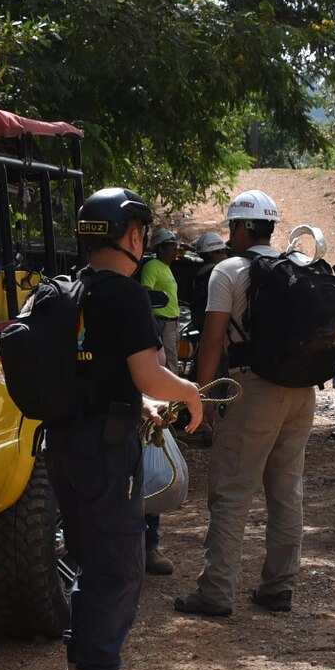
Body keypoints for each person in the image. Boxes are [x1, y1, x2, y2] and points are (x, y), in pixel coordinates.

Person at [50, 188, 204, 670]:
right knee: (119, 569)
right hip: (108, 454)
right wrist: (187, 393)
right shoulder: (125, 294)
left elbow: (96, 376)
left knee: (90, 563)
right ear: (132, 235)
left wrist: (141, 400)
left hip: (64, 449)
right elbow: (150, 373)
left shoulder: (68, 292)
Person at [176, 188, 316, 616]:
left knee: (233, 492)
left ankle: (216, 592)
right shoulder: (299, 265)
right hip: (301, 390)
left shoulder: (229, 271)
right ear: (270, 227)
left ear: (239, 227)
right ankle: (278, 586)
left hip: (252, 389)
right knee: (287, 491)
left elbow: (213, 342)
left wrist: (201, 400)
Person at [139, 228, 184, 575]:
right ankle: (143, 547)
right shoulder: (137, 303)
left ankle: (148, 545)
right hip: (120, 413)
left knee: (146, 474)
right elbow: (161, 365)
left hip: (138, 409)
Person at [143, 228, 184, 367]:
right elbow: (146, 293)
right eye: (171, 245)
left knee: (173, 362)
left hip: (173, 323)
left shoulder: (166, 267)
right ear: (160, 248)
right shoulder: (152, 266)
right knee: (169, 364)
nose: (175, 249)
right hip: (163, 323)